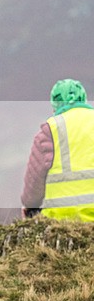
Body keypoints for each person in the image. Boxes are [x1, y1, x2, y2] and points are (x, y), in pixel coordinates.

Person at [21, 78, 94, 222]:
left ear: (55, 104)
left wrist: (29, 206)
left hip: (60, 218)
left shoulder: (50, 129)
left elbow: (34, 180)